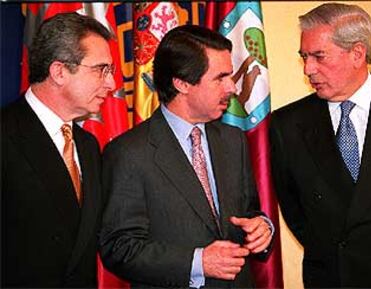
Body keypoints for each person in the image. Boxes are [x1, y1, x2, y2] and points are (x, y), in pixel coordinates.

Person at [99, 25, 273, 288]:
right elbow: (119, 248)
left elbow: (248, 212)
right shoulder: (128, 153)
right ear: (181, 84)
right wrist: (197, 262)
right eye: (221, 78)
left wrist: (261, 227)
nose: (233, 88)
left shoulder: (233, 140)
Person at [269, 3, 371, 288]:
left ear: (357, 53)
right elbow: (295, 210)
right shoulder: (287, 123)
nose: (309, 68)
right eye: (304, 57)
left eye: (319, 56)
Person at [1, 12, 115, 287]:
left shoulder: (88, 147)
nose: (111, 84)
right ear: (59, 71)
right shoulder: (5, 135)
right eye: (101, 70)